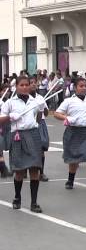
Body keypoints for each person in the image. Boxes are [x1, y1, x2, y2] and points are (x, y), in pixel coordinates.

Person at [0, 76, 44, 212]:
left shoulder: (34, 101)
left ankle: (34, 202)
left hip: (33, 134)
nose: (25, 87)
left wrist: (41, 109)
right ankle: (17, 196)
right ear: (16, 86)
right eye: (22, 85)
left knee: (35, 169)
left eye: (27, 85)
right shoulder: (10, 103)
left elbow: (38, 117)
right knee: (19, 170)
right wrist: (10, 117)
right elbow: (1, 119)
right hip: (18, 135)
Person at [53, 77, 86, 193]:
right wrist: (67, 118)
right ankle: (70, 180)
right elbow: (56, 114)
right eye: (81, 86)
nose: (84, 88)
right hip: (74, 132)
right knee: (74, 158)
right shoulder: (69, 101)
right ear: (75, 88)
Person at [29, 76, 50, 182]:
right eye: (30, 82)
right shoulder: (25, 98)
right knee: (28, 148)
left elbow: (46, 113)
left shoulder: (40, 98)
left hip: (40, 124)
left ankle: (41, 173)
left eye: (34, 82)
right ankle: (25, 169)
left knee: (41, 149)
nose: (33, 84)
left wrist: (42, 108)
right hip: (29, 125)